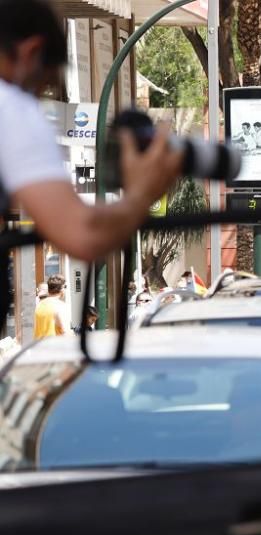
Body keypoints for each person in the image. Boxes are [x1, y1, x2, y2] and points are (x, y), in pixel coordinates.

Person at [0, 0, 182, 262]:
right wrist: (142, 194)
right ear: (31, 53)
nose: (39, 97)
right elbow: (84, 235)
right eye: (45, 85)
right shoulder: (12, 107)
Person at [33, 273, 68, 338]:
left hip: (38, 346)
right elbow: (65, 331)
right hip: (54, 347)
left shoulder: (39, 305)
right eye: (65, 287)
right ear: (62, 289)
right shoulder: (60, 306)